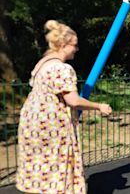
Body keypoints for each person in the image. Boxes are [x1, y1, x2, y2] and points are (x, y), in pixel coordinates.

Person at [16, 20, 112, 194]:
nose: (76, 49)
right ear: (62, 45)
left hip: (32, 124)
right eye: (74, 45)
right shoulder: (62, 68)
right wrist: (99, 106)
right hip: (53, 126)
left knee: (43, 168)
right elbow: (73, 100)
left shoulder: (42, 64)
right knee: (60, 165)